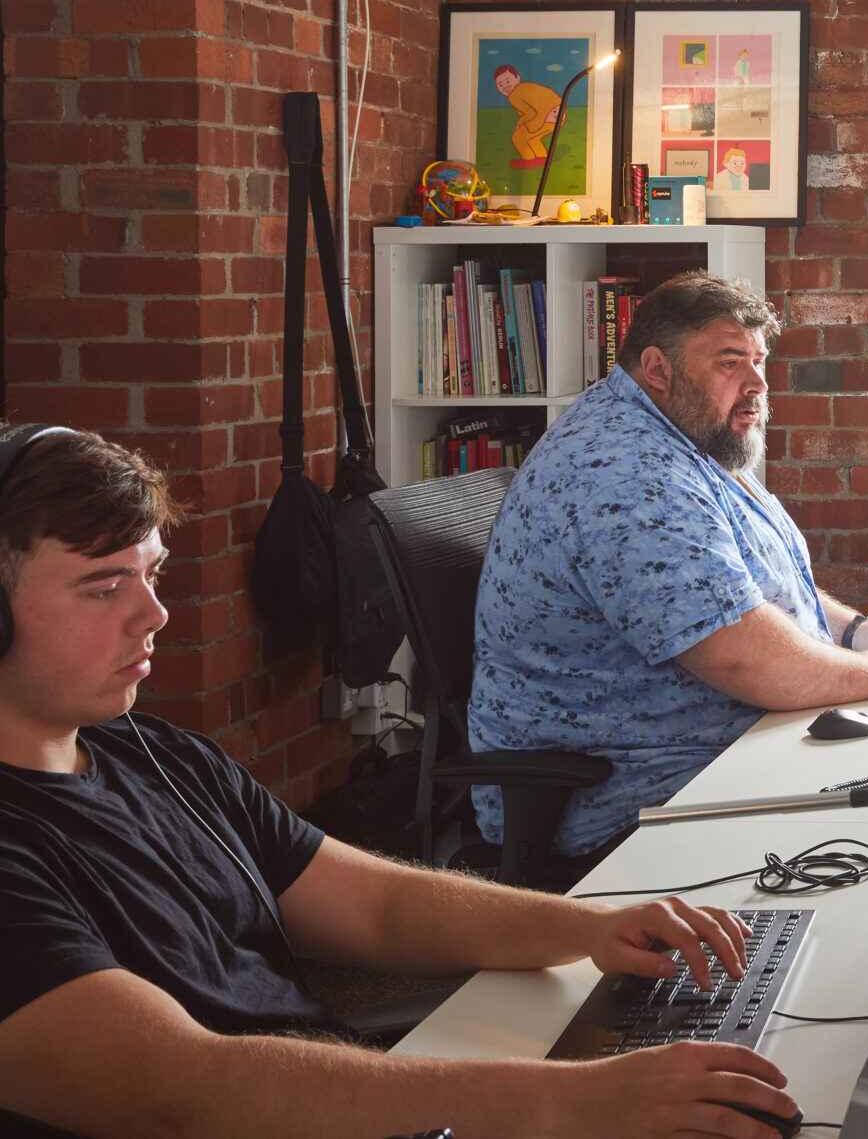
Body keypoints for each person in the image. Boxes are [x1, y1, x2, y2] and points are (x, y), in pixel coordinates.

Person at [0, 424, 802, 1139]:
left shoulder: (154, 753)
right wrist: (573, 1101)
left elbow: (372, 903)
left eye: (153, 573)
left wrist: (589, 930)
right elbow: (179, 1090)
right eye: (105, 586)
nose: (154, 614)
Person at [470, 272, 868, 861]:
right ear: (658, 369)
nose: (757, 384)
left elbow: (747, 581)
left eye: (759, 361)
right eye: (730, 363)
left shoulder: (679, 436)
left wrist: (852, 631)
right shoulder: (625, 473)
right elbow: (740, 656)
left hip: (724, 746)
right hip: (631, 789)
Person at [492, 63, 563, 171]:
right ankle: (542, 158)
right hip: (559, 114)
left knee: (518, 137)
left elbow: (535, 111)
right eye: (500, 85)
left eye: (507, 81)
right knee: (532, 138)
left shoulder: (516, 94)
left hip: (548, 114)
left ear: (517, 78)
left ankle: (529, 159)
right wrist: (523, 123)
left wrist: (526, 124)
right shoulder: (523, 88)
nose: (505, 86)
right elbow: (530, 112)